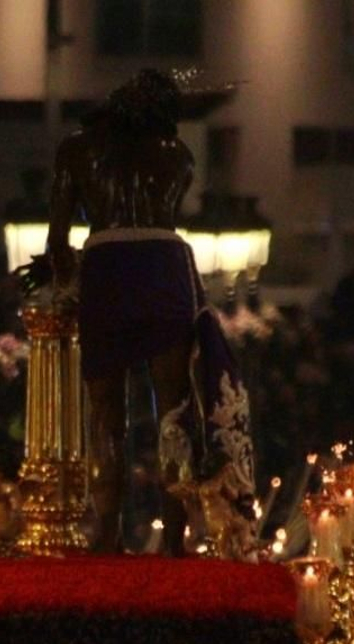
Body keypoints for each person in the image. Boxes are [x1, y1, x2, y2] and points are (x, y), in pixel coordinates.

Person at [49, 67, 254, 555]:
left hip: (106, 269)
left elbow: (59, 241)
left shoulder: (76, 150)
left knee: (104, 413)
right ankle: (174, 539)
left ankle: (106, 533)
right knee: (174, 411)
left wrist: (64, 286)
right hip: (163, 267)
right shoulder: (176, 156)